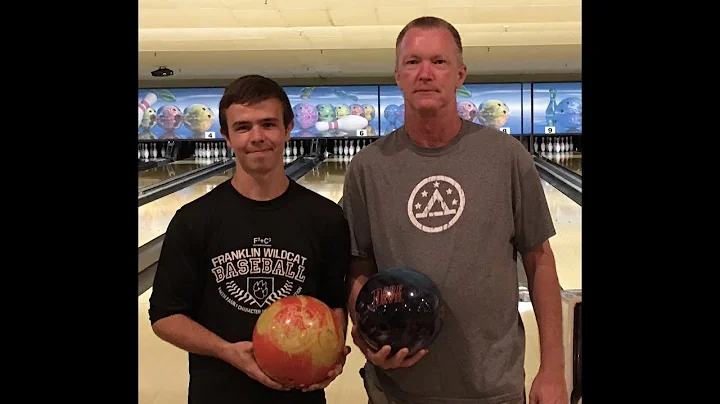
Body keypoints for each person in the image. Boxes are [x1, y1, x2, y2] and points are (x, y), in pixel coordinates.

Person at [342, 16, 569, 404]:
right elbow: (357, 265)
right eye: (412, 62)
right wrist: (364, 332)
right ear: (397, 75)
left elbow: (539, 260)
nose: (425, 73)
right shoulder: (367, 167)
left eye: (439, 62)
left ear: (460, 74)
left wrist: (552, 370)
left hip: (492, 388)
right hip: (397, 389)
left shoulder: (507, 156)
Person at [148, 75, 352, 404]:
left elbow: (333, 304)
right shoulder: (193, 220)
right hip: (217, 395)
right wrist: (227, 351)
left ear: (288, 130)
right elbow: (164, 316)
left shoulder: (325, 218)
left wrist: (331, 353)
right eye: (243, 127)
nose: (256, 137)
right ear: (227, 136)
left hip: (300, 395)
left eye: (268, 124)